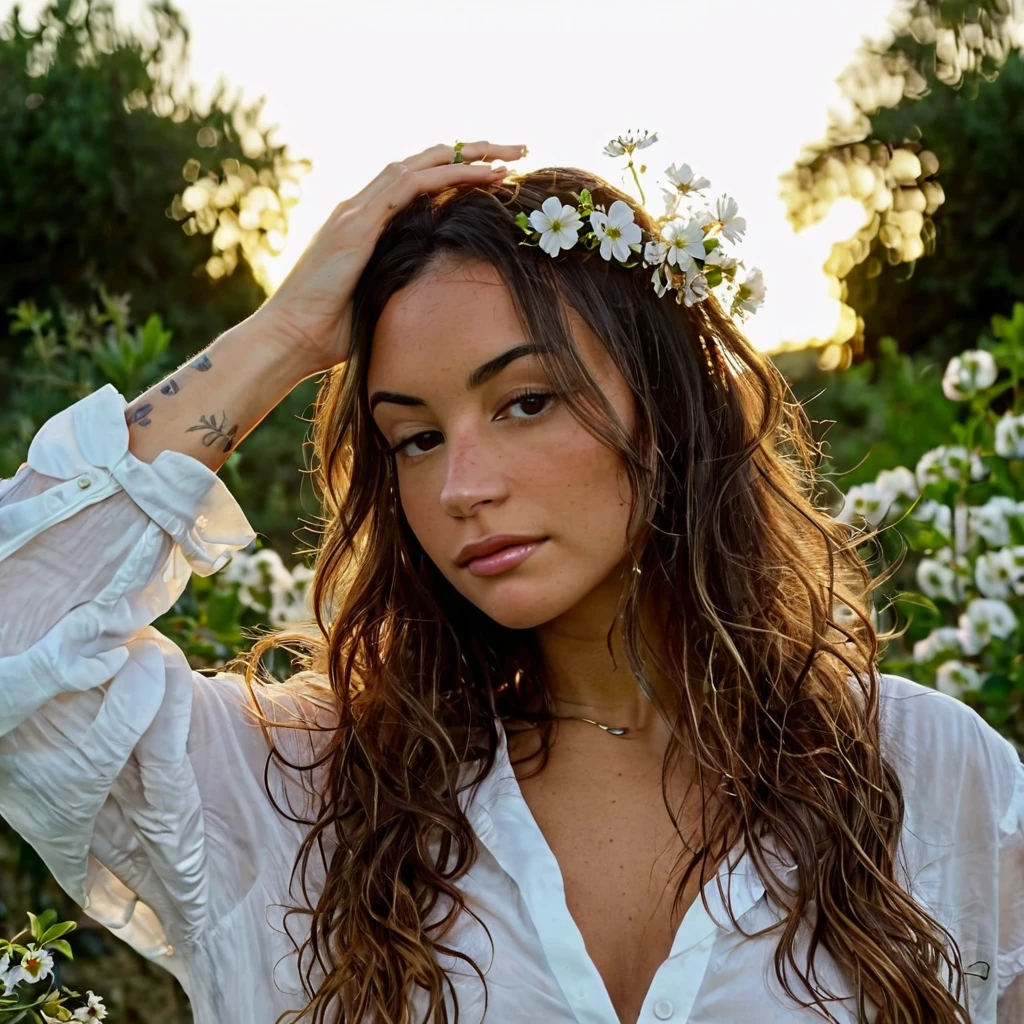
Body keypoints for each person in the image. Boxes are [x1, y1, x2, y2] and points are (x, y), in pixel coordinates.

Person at [0, 137, 1021, 1024]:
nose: (461, 486)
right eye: (415, 438)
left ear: (666, 409)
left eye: (526, 401)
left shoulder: (923, 772)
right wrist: (284, 336)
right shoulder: (303, 792)